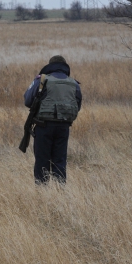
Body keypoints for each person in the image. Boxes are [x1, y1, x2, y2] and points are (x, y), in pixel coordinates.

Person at [24, 55, 82, 184]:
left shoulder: (42, 80)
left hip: (43, 126)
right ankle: (60, 191)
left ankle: (42, 191)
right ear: (64, 67)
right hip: (64, 127)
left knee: (42, 161)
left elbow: (27, 100)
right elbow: (77, 106)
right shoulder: (74, 83)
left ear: (50, 66)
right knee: (60, 161)